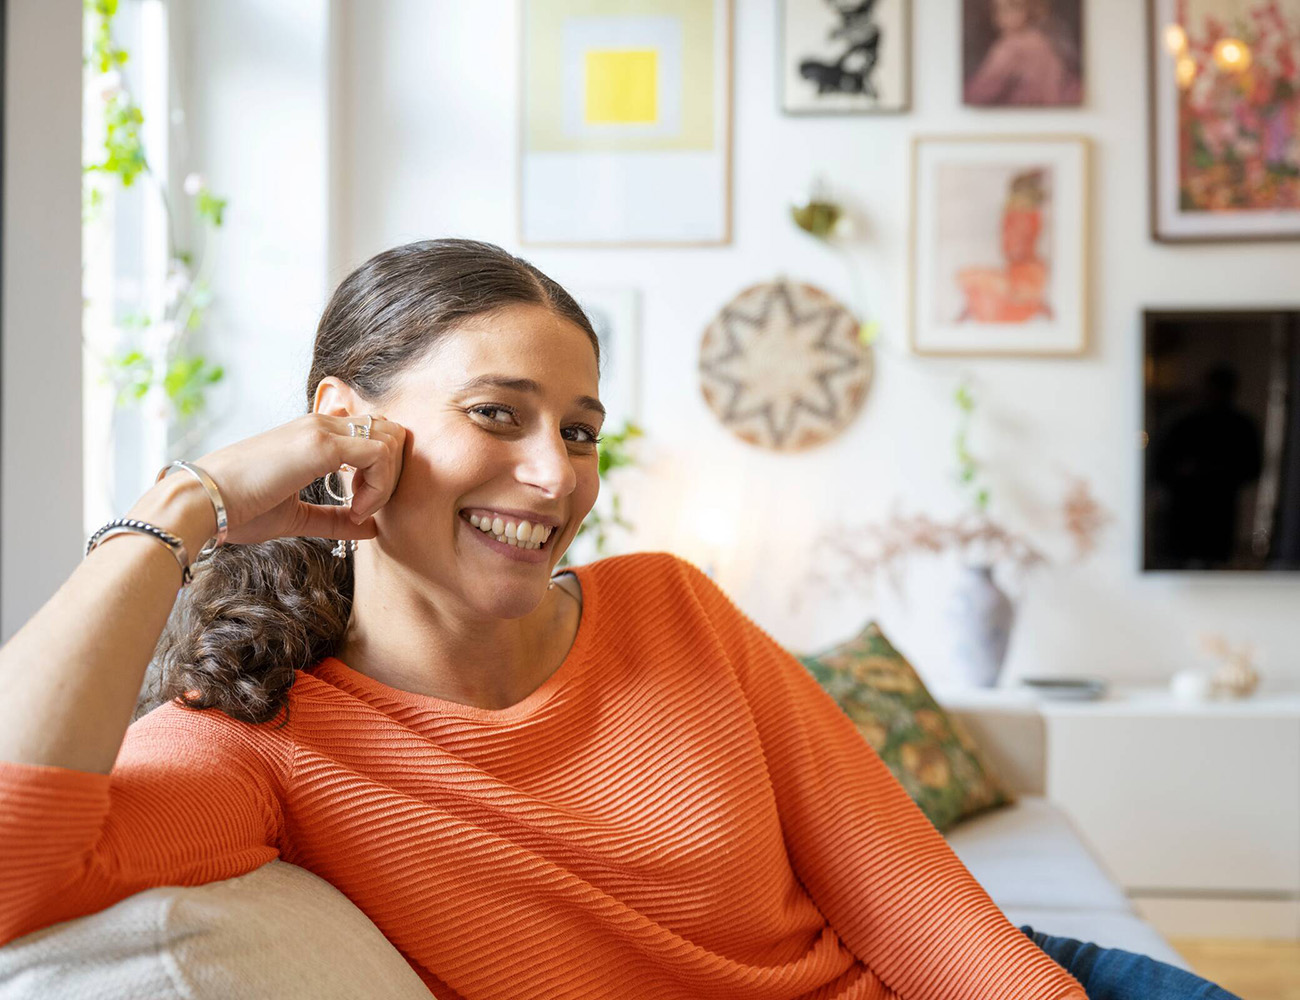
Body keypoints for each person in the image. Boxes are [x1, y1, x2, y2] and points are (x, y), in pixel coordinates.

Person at [0, 239, 1240, 998]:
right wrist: (188, 504)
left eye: (581, 429)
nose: (557, 476)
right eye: (499, 413)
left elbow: (909, 902)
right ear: (344, 423)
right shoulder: (259, 743)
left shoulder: (668, 606)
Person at [964, 0, 1083, 107]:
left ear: (1031, 9)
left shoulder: (1010, 46)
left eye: (1010, 8)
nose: (999, 17)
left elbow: (980, 91)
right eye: (996, 9)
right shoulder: (1046, 41)